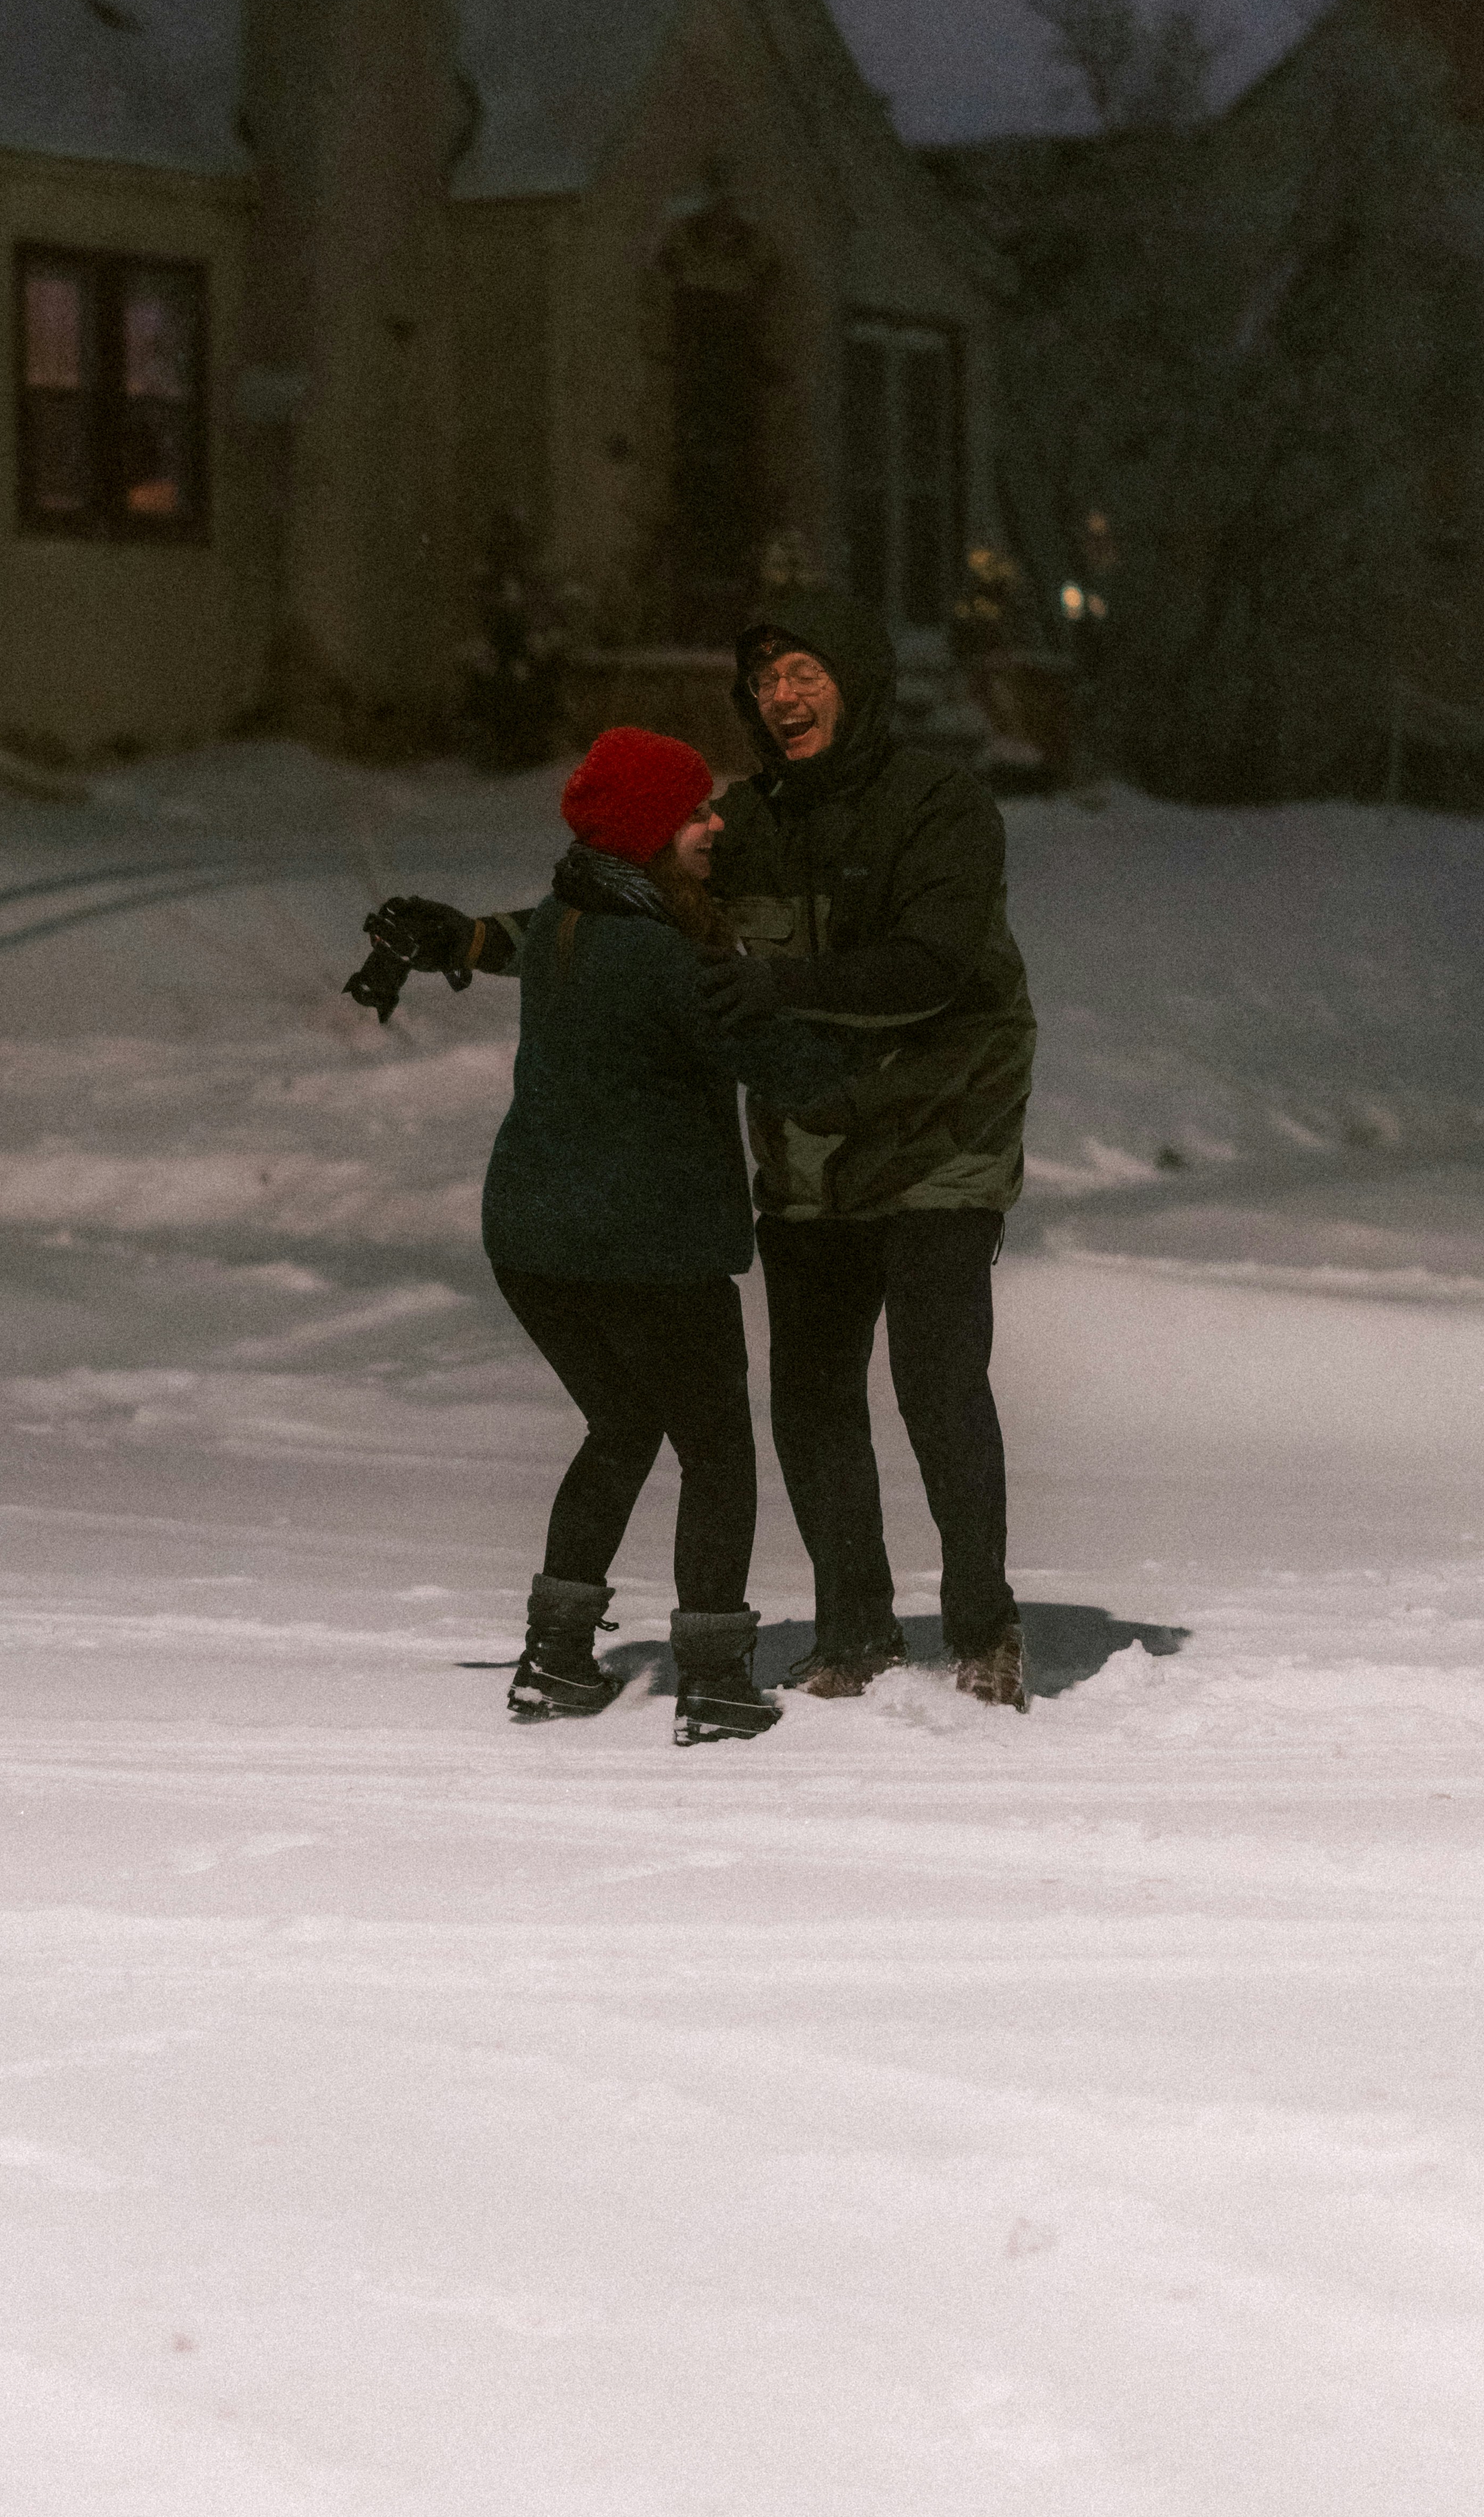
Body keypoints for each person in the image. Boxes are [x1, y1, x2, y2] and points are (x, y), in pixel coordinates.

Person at [363, 592, 1037, 1711]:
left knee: (933, 1383)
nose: (780, 697)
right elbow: (632, 912)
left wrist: (779, 984)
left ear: (856, 676)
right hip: (808, 1151)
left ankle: (983, 1627)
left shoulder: (941, 809)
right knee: (812, 1399)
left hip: (935, 1139)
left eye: (802, 671)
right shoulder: (742, 826)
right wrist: (474, 939)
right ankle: (853, 1633)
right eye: (764, 682)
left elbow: (931, 967)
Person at [473, 723, 863, 1750]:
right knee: (718, 1455)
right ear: (647, 831)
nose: (712, 825)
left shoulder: (570, 916)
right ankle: (715, 1680)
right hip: (644, 1248)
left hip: (534, 1242)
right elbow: (791, 1072)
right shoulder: (666, 955)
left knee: (620, 1427)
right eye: (692, 812)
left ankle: (552, 1662)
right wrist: (875, 1070)